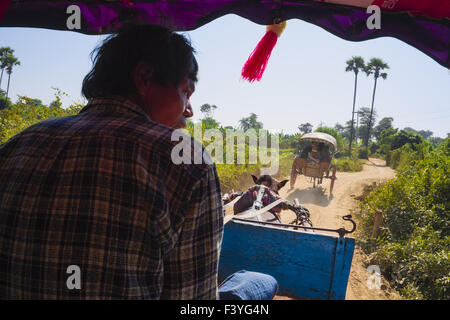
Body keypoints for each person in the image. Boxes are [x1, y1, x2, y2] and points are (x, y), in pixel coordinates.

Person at [0, 24, 277, 300]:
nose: (190, 110)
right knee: (260, 283)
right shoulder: (187, 162)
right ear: (144, 78)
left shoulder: (15, 146)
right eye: (186, 92)